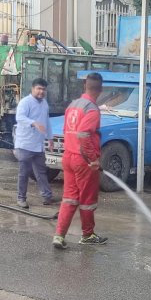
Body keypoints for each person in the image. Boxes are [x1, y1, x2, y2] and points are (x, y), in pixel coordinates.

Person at [52, 72, 107, 249]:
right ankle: (88, 234)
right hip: (83, 160)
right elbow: (84, 134)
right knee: (88, 200)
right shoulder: (92, 109)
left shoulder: (73, 105)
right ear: (100, 90)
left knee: (69, 198)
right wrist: (93, 159)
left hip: (68, 156)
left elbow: (66, 130)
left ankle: (59, 236)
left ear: (85, 86)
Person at [14, 78, 56, 208]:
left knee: (41, 172)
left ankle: (47, 196)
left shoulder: (44, 104)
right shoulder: (25, 102)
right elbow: (19, 117)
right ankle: (21, 198)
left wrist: (50, 139)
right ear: (32, 89)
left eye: (43, 89)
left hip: (38, 145)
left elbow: (47, 122)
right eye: (38, 88)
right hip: (25, 144)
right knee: (24, 173)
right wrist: (34, 123)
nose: (41, 92)